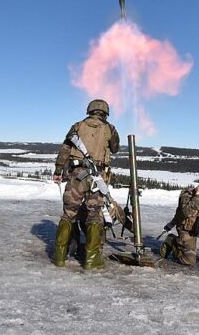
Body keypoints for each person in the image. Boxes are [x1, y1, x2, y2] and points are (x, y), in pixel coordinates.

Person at [51, 99, 120, 270]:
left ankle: (59, 256)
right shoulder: (110, 129)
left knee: (69, 213)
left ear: (90, 110)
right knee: (94, 215)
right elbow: (115, 148)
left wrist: (58, 170)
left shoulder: (77, 126)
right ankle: (91, 259)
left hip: (76, 176)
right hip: (97, 178)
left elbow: (65, 149)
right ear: (105, 112)